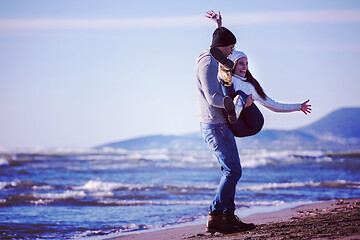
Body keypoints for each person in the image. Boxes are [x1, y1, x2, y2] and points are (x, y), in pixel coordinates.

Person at [206, 10, 312, 138]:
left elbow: (274, 105)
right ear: (233, 64)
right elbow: (222, 48)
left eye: (246, 64)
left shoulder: (250, 86)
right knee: (226, 87)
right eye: (241, 64)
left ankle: (238, 105)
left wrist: (299, 107)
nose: (245, 67)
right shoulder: (229, 79)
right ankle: (234, 108)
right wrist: (219, 25)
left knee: (239, 94)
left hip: (253, 124)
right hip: (236, 124)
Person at [195, 18, 256, 234]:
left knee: (232, 170)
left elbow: (219, 42)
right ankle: (215, 216)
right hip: (214, 125)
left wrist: (219, 25)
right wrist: (240, 103)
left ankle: (228, 216)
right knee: (233, 171)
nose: (232, 52)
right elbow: (212, 97)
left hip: (220, 125)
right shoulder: (208, 63)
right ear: (223, 47)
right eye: (231, 48)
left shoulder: (215, 58)